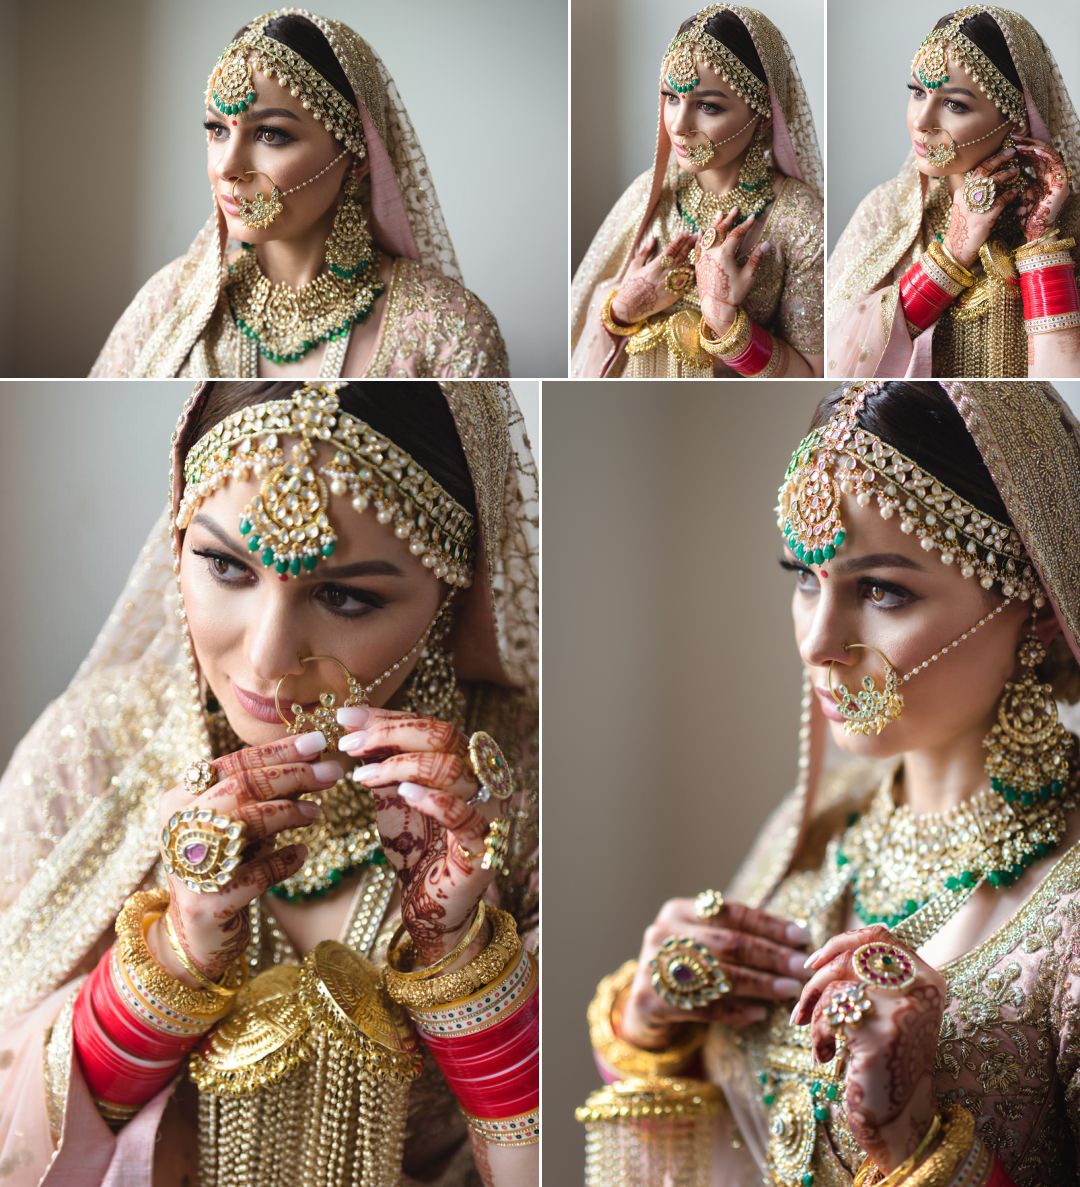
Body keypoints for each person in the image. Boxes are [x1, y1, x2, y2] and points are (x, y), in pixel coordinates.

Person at [0, 381, 538, 1187]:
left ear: (450, 592)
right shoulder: (93, 752)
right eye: (223, 564)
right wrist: (172, 958)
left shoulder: (519, 784)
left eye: (345, 594)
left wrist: (459, 953)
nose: (263, 659)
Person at [581, 380, 1080, 1186]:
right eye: (805, 575)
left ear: (1042, 604)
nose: (819, 641)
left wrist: (916, 1144)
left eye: (882, 589)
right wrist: (648, 1032)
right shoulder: (818, 827)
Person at [90, 12, 509, 379]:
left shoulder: (448, 331)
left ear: (358, 157)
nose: (227, 167)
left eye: (271, 134)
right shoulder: (166, 308)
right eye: (217, 130)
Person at [570, 3, 823, 379]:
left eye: (707, 105)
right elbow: (582, 330)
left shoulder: (801, 220)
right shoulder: (649, 194)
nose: (679, 124)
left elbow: (814, 373)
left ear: (764, 114)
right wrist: (620, 310)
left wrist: (728, 325)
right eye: (671, 97)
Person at [828, 7, 1080, 379]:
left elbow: (1064, 378)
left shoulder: (1068, 218)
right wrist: (950, 256)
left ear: (1016, 118)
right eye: (917, 92)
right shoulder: (886, 209)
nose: (921, 120)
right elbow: (839, 364)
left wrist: (1040, 241)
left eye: (954, 104)